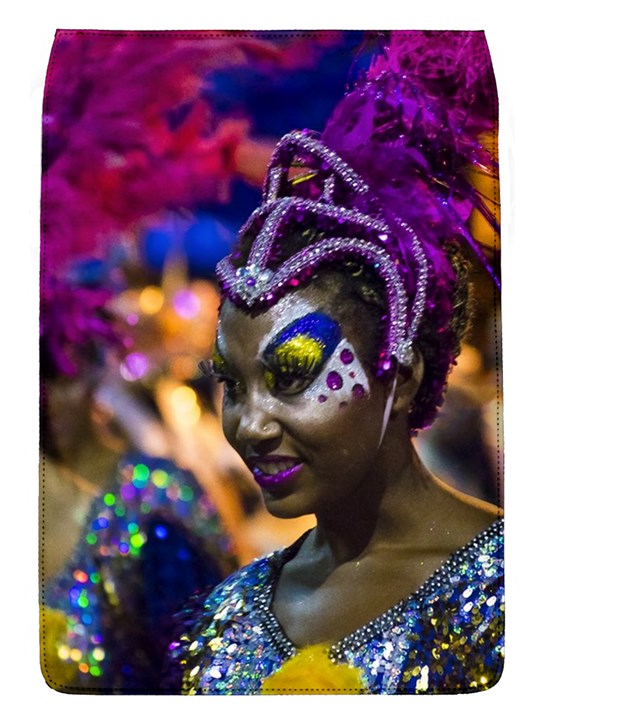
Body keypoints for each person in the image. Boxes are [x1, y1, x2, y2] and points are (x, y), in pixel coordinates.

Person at [167, 31, 503, 694]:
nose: (250, 426)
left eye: (291, 375)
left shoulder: (521, 594)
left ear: (400, 376)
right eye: (231, 385)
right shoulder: (224, 618)